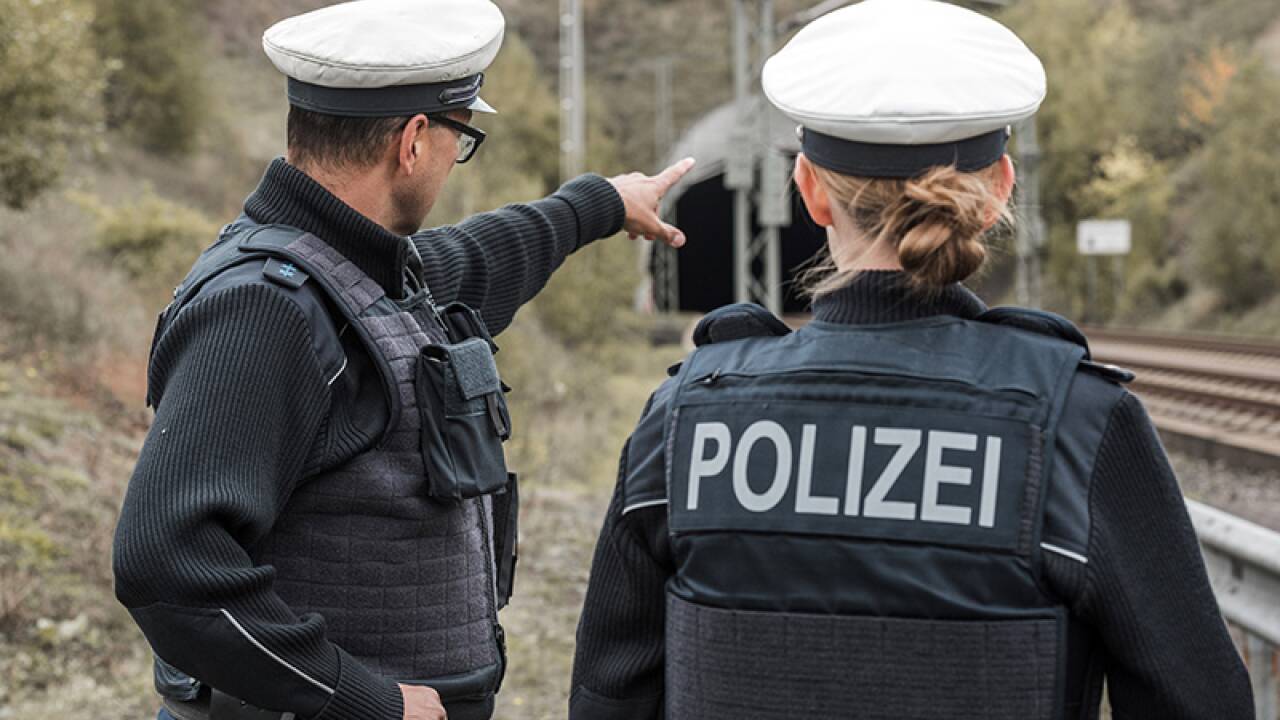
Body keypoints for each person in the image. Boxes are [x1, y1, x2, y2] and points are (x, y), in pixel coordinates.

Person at [568, 1, 1254, 718]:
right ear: (997, 193)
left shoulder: (685, 418)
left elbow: (608, 696)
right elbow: (1200, 698)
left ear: (810, 191)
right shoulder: (1079, 423)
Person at [110, 1, 694, 719]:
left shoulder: (362, 272)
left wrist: (601, 204)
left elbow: (480, 258)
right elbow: (165, 564)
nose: (456, 158)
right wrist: (362, 700)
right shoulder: (264, 309)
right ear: (414, 141)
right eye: (462, 137)